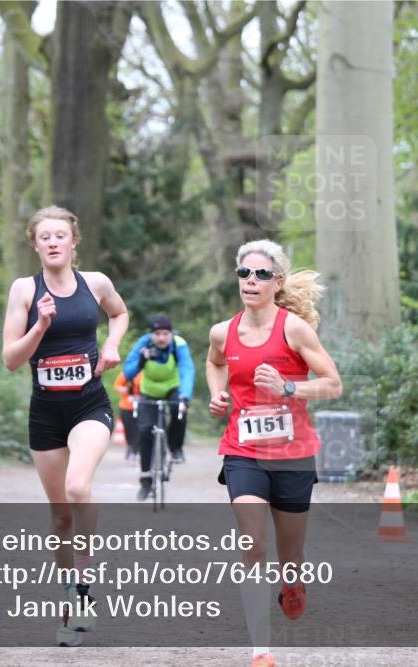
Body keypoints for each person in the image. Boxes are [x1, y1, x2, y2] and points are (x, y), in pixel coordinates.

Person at [206, 239, 342, 667]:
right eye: (244, 273)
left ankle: (293, 584)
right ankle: (261, 650)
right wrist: (217, 394)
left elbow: (333, 384)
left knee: (290, 556)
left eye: (261, 274)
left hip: (293, 454)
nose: (251, 281)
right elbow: (214, 363)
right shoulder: (222, 332)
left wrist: (287, 386)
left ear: (277, 282)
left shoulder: (294, 330)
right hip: (242, 450)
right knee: (253, 545)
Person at [1, 205, 129, 646]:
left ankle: (85, 586)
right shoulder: (24, 289)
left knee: (78, 489)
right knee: (60, 517)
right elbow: (11, 360)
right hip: (46, 415)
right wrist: (40, 325)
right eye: (45, 237)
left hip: (89, 404)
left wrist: (111, 345)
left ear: (75, 242)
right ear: (34, 244)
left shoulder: (96, 284)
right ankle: (68, 594)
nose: (53, 242)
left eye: (61, 235)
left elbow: (120, 313)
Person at [122, 315, 195, 501]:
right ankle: (146, 478)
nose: (161, 338)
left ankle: (175, 446)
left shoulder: (179, 344)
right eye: (157, 334)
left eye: (165, 334)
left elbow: (187, 370)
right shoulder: (143, 344)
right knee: (145, 430)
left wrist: (185, 395)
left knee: (179, 408)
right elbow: (128, 372)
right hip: (149, 391)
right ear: (151, 334)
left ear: (171, 334)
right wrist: (141, 361)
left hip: (173, 388)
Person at [112, 370, 142, 459]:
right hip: (127, 406)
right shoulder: (126, 373)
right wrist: (126, 389)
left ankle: (137, 450)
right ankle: (130, 446)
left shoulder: (146, 372)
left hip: (142, 405)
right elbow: (117, 386)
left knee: (140, 428)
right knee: (129, 429)